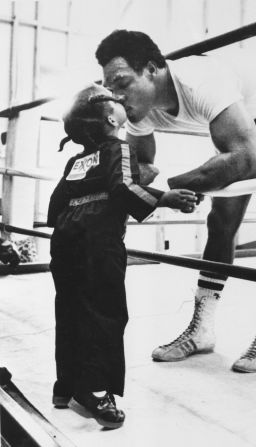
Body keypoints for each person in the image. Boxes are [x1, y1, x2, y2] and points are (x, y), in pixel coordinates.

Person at [95, 30, 256, 373]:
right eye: (110, 88)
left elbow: (246, 161)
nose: (117, 96)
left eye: (122, 82)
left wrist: (174, 185)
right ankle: (202, 329)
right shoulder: (140, 110)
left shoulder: (200, 83)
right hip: (242, 115)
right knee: (221, 221)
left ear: (152, 69)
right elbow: (139, 168)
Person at [47, 83, 198, 429]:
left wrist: (79, 215)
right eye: (116, 101)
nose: (122, 102)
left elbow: (56, 207)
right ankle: (96, 392)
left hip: (65, 243)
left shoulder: (76, 160)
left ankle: (65, 386)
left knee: (69, 310)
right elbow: (121, 187)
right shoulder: (119, 148)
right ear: (111, 117)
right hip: (99, 244)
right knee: (104, 314)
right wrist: (164, 198)